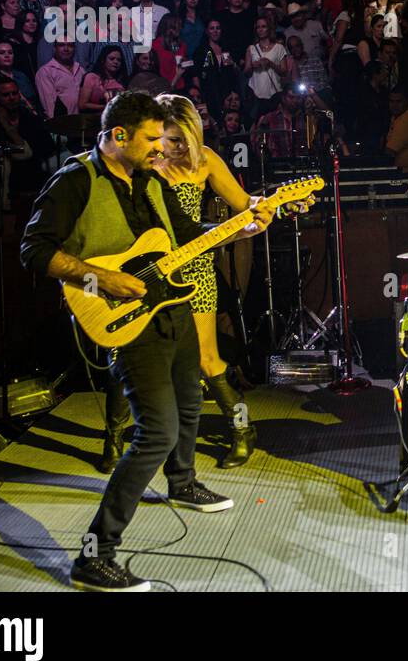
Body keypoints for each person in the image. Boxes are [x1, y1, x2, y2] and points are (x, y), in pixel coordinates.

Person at [19, 91, 278, 590]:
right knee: (156, 431)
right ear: (118, 136)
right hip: (122, 317)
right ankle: (95, 554)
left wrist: (245, 227)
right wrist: (102, 280)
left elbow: (189, 235)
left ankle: (182, 483)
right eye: (151, 139)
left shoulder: (149, 180)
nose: (161, 147)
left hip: (171, 308)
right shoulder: (75, 180)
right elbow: (34, 251)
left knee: (187, 403)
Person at [155, 94, 281, 468]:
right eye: (172, 139)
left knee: (208, 360)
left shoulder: (205, 159)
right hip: (145, 269)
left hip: (193, 269)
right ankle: (116, 439)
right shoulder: (143, 161)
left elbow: (245, 203)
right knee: (132, 357)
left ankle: (242, 430)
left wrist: (274, 205)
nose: (179, 149)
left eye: (186, 140)